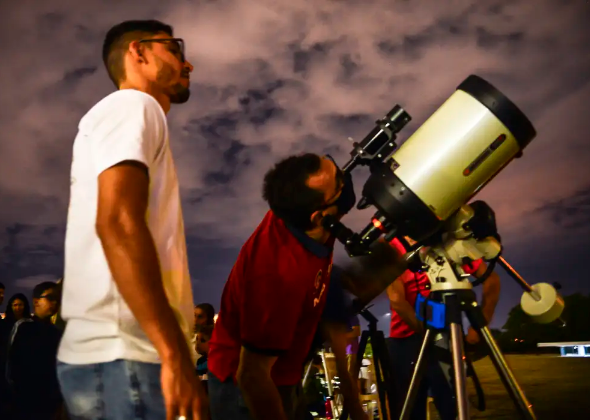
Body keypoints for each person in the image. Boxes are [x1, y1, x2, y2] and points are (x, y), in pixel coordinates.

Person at [57, 19, 207, 420]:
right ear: (138, 52)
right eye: (174, 49)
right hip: (130, 354)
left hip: (116, 355)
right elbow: (118, 223)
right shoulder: (133, 105)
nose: (187, 64)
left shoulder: (125, 114)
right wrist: (173, 353)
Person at [207, 153, 357, 420]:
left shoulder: (299, 215)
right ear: (320, 217)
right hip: (245, 390)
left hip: (284, 372)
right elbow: (251, 376)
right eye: (339, 183)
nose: (346, 179)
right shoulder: (276, 277)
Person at [386, 237, 501, 420]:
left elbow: (491, 279)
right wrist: (428, 334)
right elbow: (397, 300)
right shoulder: (393, 246)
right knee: (410, 410)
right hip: (406, 340)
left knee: (452, 407)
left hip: (445, 336)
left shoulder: (448, 241)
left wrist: (480, 323)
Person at [8, 282, 63, 420]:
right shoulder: (23, 327)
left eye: (57, 298)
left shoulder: (56, 333)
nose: (55, 302)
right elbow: (10, 364)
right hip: (25, 403)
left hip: (49, 404)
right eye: (50, 297)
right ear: (36, 301)